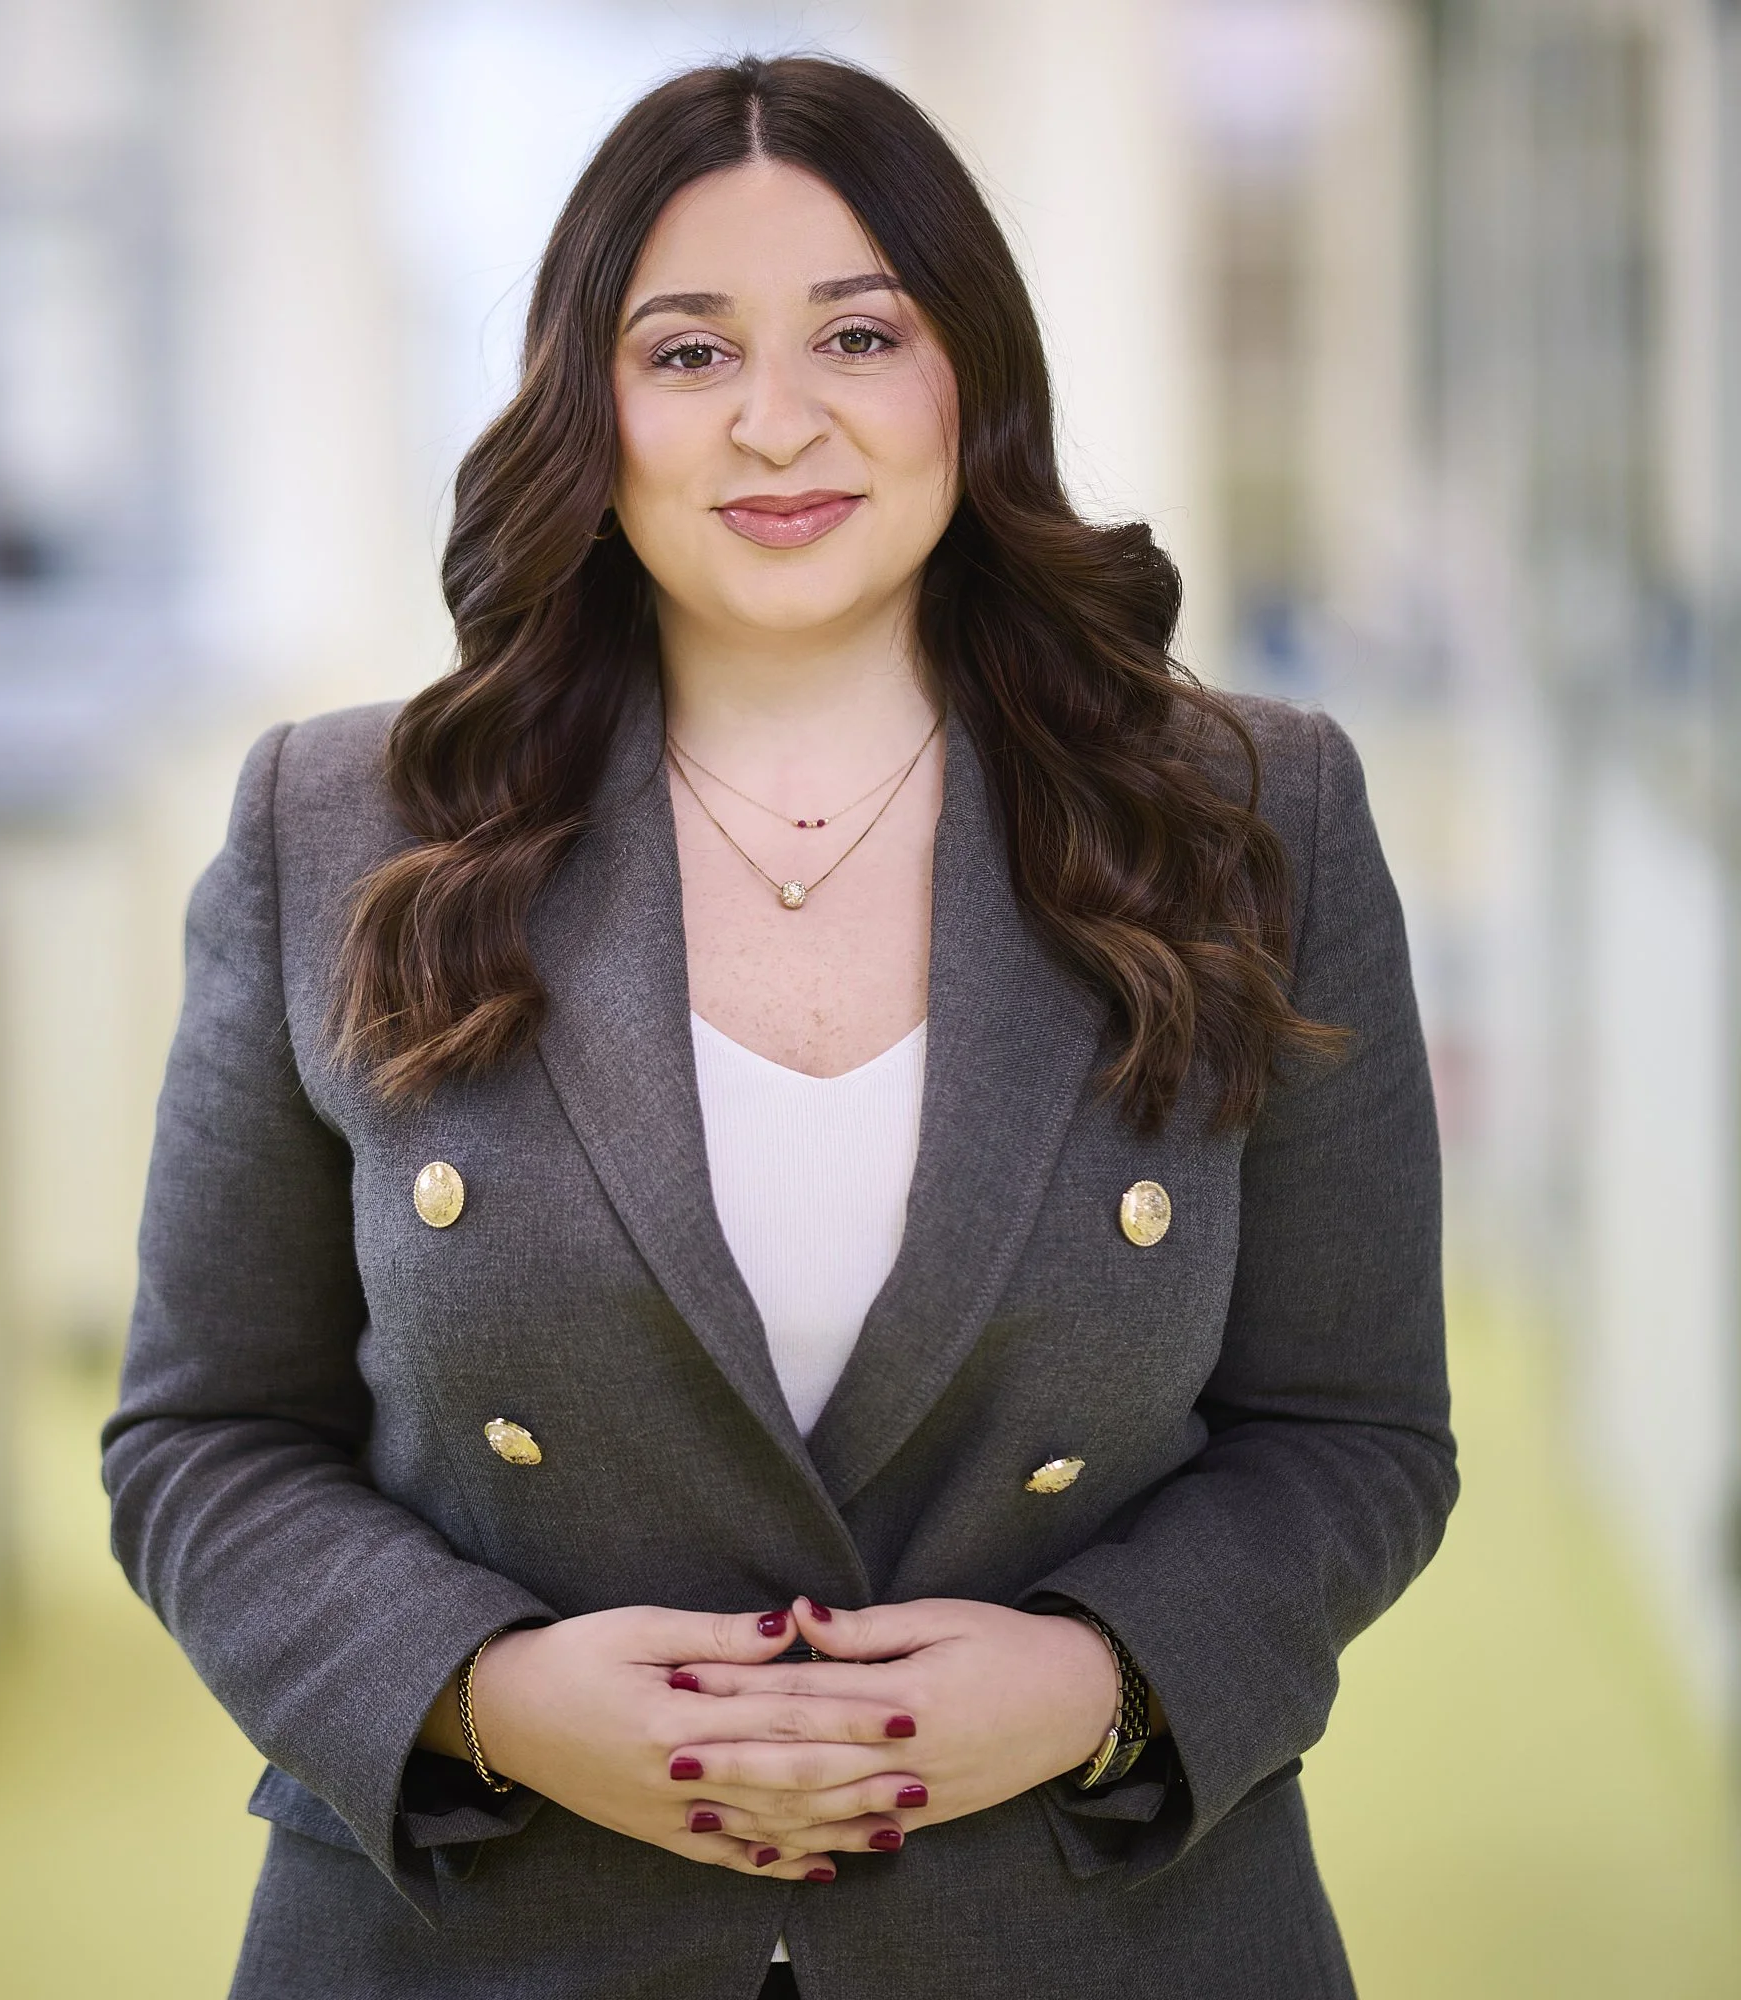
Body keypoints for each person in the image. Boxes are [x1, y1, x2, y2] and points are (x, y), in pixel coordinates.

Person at [104, 53, 1454, 2000]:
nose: (777, 422)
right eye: (686, 352)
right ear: (592, 411)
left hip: (1090, 1923)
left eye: (857, 331)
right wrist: (482, 1700)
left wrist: (1096, 1678)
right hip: (489, 1931)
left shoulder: (1251, 815)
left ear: (967, 375)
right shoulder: (338, 827)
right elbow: (204, 1436)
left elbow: (1354, 1433)